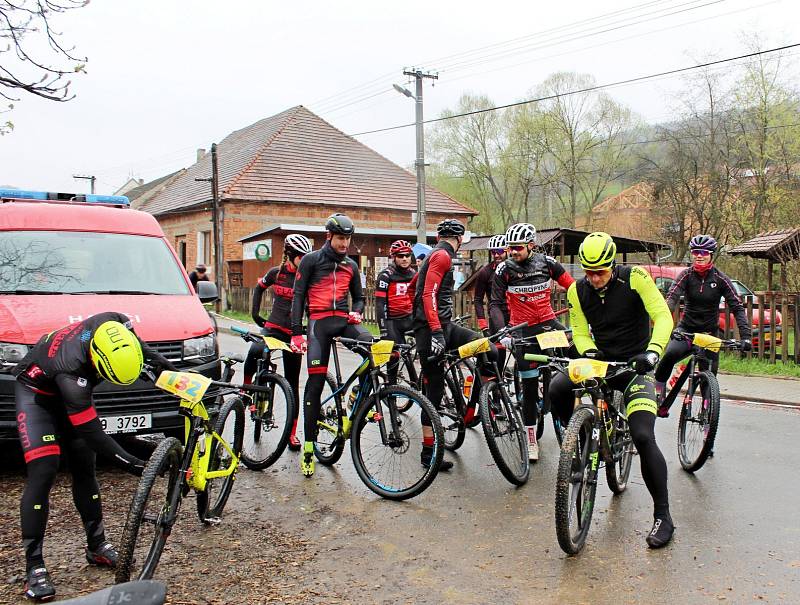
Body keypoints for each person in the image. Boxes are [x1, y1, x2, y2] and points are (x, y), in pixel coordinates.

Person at [12, 312, 176, 601]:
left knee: (85, 465)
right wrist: (137, 465)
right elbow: (95, 435)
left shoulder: (115, 322)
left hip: (71, 389)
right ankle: (34, 566)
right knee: (44, 469)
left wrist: (168, 369)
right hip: (38, 396)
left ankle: (97, 545)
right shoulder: (71, 368)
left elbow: (141, 349)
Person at [548, 232, 675, 548]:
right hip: (602, 363)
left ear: (613, 264)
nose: (594, 279)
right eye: (588, 272)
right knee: (557, 387)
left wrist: (654, 352)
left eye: (600, 272)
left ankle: (664, 516)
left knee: (643, 436)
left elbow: (662, 317)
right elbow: (578, 330)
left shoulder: (636, 278)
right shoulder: (578, 290)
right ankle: (573, 441)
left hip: (635, 366)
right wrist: (587, 350)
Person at [410, 219, 499, 472]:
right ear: (460, 240)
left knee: (486, 348)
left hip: (443, 327)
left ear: (440, 235)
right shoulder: (442, 257)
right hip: (432, 331)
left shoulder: (433, 256)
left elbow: (415, 287)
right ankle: (428, 454)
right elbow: (427, 294)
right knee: (434, 393)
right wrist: (433, 332)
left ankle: (476, 404)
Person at [290, 214, 371, 478]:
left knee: (376, 350)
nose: (344, 243)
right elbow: (298, 296)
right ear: (329, 236)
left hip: (343, 321)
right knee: (314, 385)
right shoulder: (312, 260)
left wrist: (357, 312)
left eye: (348, 238)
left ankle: (357, 396)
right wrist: (296, 333)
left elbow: (359, 298)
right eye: (340, 238)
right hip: (318, 325)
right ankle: (310, 448)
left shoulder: (351, 265)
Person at [489, 223, 574, 461]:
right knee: (528, 387)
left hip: (548, 325)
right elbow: (495, 304)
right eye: (510, 248)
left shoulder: (548, 263)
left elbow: (574, 288)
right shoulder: (504, 270)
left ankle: (572, 421)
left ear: (530, 245)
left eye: (517, 248)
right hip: (522, 331)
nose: (513, 252)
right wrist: (503, 332)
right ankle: (530, 440)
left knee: (574, 361)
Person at [654, 234, 752, 413]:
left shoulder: (721, 279)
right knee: (669, 356)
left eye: (704, 252)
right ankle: (659, 390)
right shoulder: (686, 275)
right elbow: (672, 298)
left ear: (711, 255)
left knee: (709, 377)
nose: (699, 255)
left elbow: (737, 307)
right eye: (695, 252)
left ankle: (707, 412)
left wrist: (746, 337)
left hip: (709, 335)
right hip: (686, 332)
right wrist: (663, 321)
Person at [247, 234, 313, 450]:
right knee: (255, 349)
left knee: (292, 382)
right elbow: (259, 288)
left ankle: (292, 434)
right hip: (273, 328)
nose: (305, 260)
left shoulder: (307, 278)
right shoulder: (276, 273)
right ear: (291, 255)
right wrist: (256, 315)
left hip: (293, 331)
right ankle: (247, 390)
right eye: (301, 256)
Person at [376, 240, 416, 388]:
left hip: (410, 318)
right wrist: (383, 328)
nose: (405, 258)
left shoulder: (414, 274)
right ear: (394, 257)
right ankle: (391, 387)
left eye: (407, 255)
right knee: (394, 356)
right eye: (400, 256)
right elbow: (380, 304)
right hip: (392, 321)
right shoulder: (386, 275)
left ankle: (418, 383)